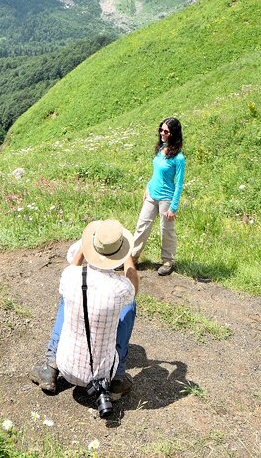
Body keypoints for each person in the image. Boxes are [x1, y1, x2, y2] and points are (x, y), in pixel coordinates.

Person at [29, 219, 138, 416]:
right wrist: (128, 257)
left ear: (91, 249)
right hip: (103, 374)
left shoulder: (71, 276)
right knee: (129, 306)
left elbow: (73, 267)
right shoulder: (121, 288)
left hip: (66, 367)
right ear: (119, 253)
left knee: (67, 299)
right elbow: (133, 288)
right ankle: (118, 379)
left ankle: (50, 367)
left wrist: (83, 248)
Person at [131, 117, 185, 276]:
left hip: (166, 199)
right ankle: (132, 258)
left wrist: (173, 207)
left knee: (166, 230)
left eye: (166, 131)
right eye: (161, 130)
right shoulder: (160, 149)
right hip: (151, 195)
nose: (162, 133)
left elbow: (179, 184)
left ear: (173, 133)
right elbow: (156, 173)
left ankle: (168, 261)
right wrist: (147, 187)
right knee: (142, 225)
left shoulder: (179, 158)